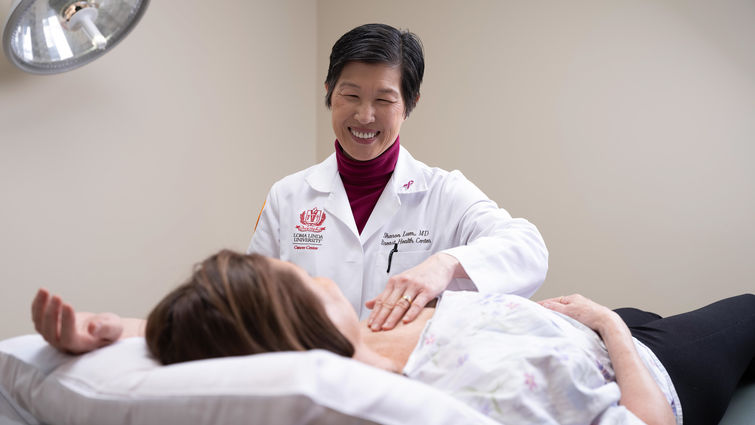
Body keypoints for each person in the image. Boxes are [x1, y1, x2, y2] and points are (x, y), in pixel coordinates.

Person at [32, 250, 754, 425]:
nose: (316, 273)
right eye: (302, 279)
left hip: (597, 323)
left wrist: (118, 327)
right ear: (300, 325)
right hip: (653, 358)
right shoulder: (444, 394)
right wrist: (602, 323)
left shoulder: (370, 338)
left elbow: (224, 331)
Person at [247, 23, 549, 332]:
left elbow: (529, 250)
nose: (365, 116)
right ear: (329, 93)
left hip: (402, 374)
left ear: (409, 104)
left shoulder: (443, 194)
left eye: (384, 100)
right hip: (311, 372)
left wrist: (444, 265)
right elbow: (250, 299)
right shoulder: (288, 197)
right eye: (350, 95)